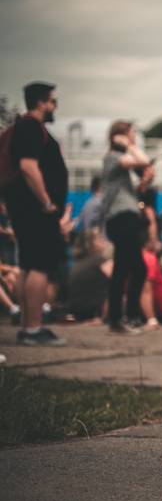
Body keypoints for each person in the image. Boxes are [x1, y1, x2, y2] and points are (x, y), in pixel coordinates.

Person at [6, 81, 69, 346]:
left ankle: (27, 326)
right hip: (36, 209)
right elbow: (28, 167)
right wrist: (47, 202)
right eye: (53, 101)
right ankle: (33, 328)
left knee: (27, 265)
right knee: (39, 266)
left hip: (25, 207)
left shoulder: (23, 127)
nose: (55, 106)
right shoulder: (31, 127)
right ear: (41, 102)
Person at [101, 121, 153, 336]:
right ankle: (120, 318)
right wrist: (129, 146)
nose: (134, 138)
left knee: (133, 268)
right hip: (121, 218)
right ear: (120, 135)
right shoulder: (113, 157)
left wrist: (144, 183)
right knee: (126, 268)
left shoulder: (120, 161)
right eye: (131, 134)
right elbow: (143, 160)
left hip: (126, 217)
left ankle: (127, 317)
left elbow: (141, 171)